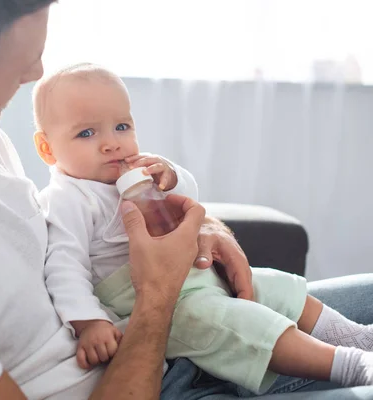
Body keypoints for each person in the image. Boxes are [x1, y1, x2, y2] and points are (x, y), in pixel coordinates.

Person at [0, 1, 373, 399]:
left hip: (165, 325)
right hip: (158, 372)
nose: (36, 72)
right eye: (23, 61)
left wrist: (205, 227)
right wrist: (160, 296)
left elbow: (59, 227)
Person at [32, 63, 373, 394]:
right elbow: (64, 266)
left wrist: (172, 176)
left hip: (193, 274)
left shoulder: (138, 168)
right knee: (236, 323)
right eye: (87, 133)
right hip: (149, 301)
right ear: (47, 148)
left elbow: (189, 197)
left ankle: (359, 337)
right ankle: (351, 365)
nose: (112, 144)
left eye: (122, 127)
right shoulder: (68, 198)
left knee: (273, 285)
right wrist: (89, 321)